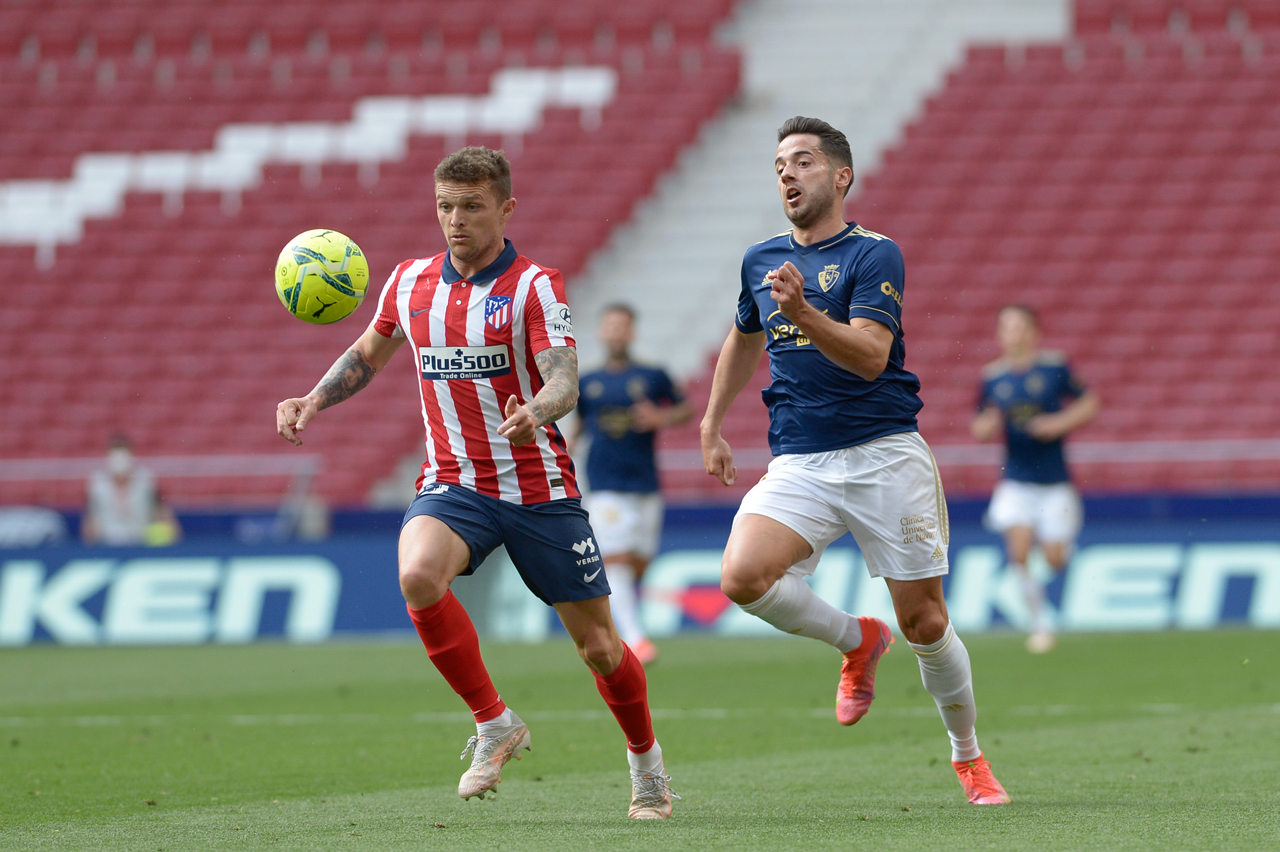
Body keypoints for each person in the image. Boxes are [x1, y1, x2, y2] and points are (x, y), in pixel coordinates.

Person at [276, 147, 677, 819]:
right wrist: (313, 399)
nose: (455, 220)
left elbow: (565, 379)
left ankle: (647, 766)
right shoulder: (407, 282)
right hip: (454, 482)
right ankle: (494, 723)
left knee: (601, 648)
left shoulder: (534, 286)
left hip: (538, 486)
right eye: (444, 207)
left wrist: (538, 409)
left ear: (505, 208)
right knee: (417, 577)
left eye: (471, 206)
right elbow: (369, 354)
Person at [700, 116, 1009, 805]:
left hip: (883, 455)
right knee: (742, 576)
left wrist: (805, 314)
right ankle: (855, 641)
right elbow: (745, 335)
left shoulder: (874, 255)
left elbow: (871, 357)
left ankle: (969, 759)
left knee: (925, 622)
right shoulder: (761, 260)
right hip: (801, 458)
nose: (787, 173)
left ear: (840, 176)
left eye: (803, 161)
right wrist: (713, 420)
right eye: (780, 163)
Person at [970, 305, 1101, 654]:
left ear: (1033, 332)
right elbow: (979, 424)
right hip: (1016, 480)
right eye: (1006, 327)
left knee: (1055, 559)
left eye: (1018, 327)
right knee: (1020, 552)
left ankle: (1060, 553)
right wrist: (988, 424)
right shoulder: (992, 377)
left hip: (1055, 481)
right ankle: (1040, 626)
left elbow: (1089, 402)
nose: (1012, 334)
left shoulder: (1053, 367)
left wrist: (1058, 424)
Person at [571, 304, 692, 666]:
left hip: (645, 484)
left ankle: (624, 626)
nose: (616, 333)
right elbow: (578, 428)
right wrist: (568, 451)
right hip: (604, 483)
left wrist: (661, 416)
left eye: (623, 327)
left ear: (632, 332)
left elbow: (685, 409)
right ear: (601, 332)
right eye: (610, 327)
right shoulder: (587, 382)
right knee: (616, 560)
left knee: (638, 563)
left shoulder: (652, 376)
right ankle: (635, 640)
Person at [82, 435, 181, 546]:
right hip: (108, 542)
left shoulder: (146, 480)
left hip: (141, 541)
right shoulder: (97, 483)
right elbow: (91, 518)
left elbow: (161, 512)